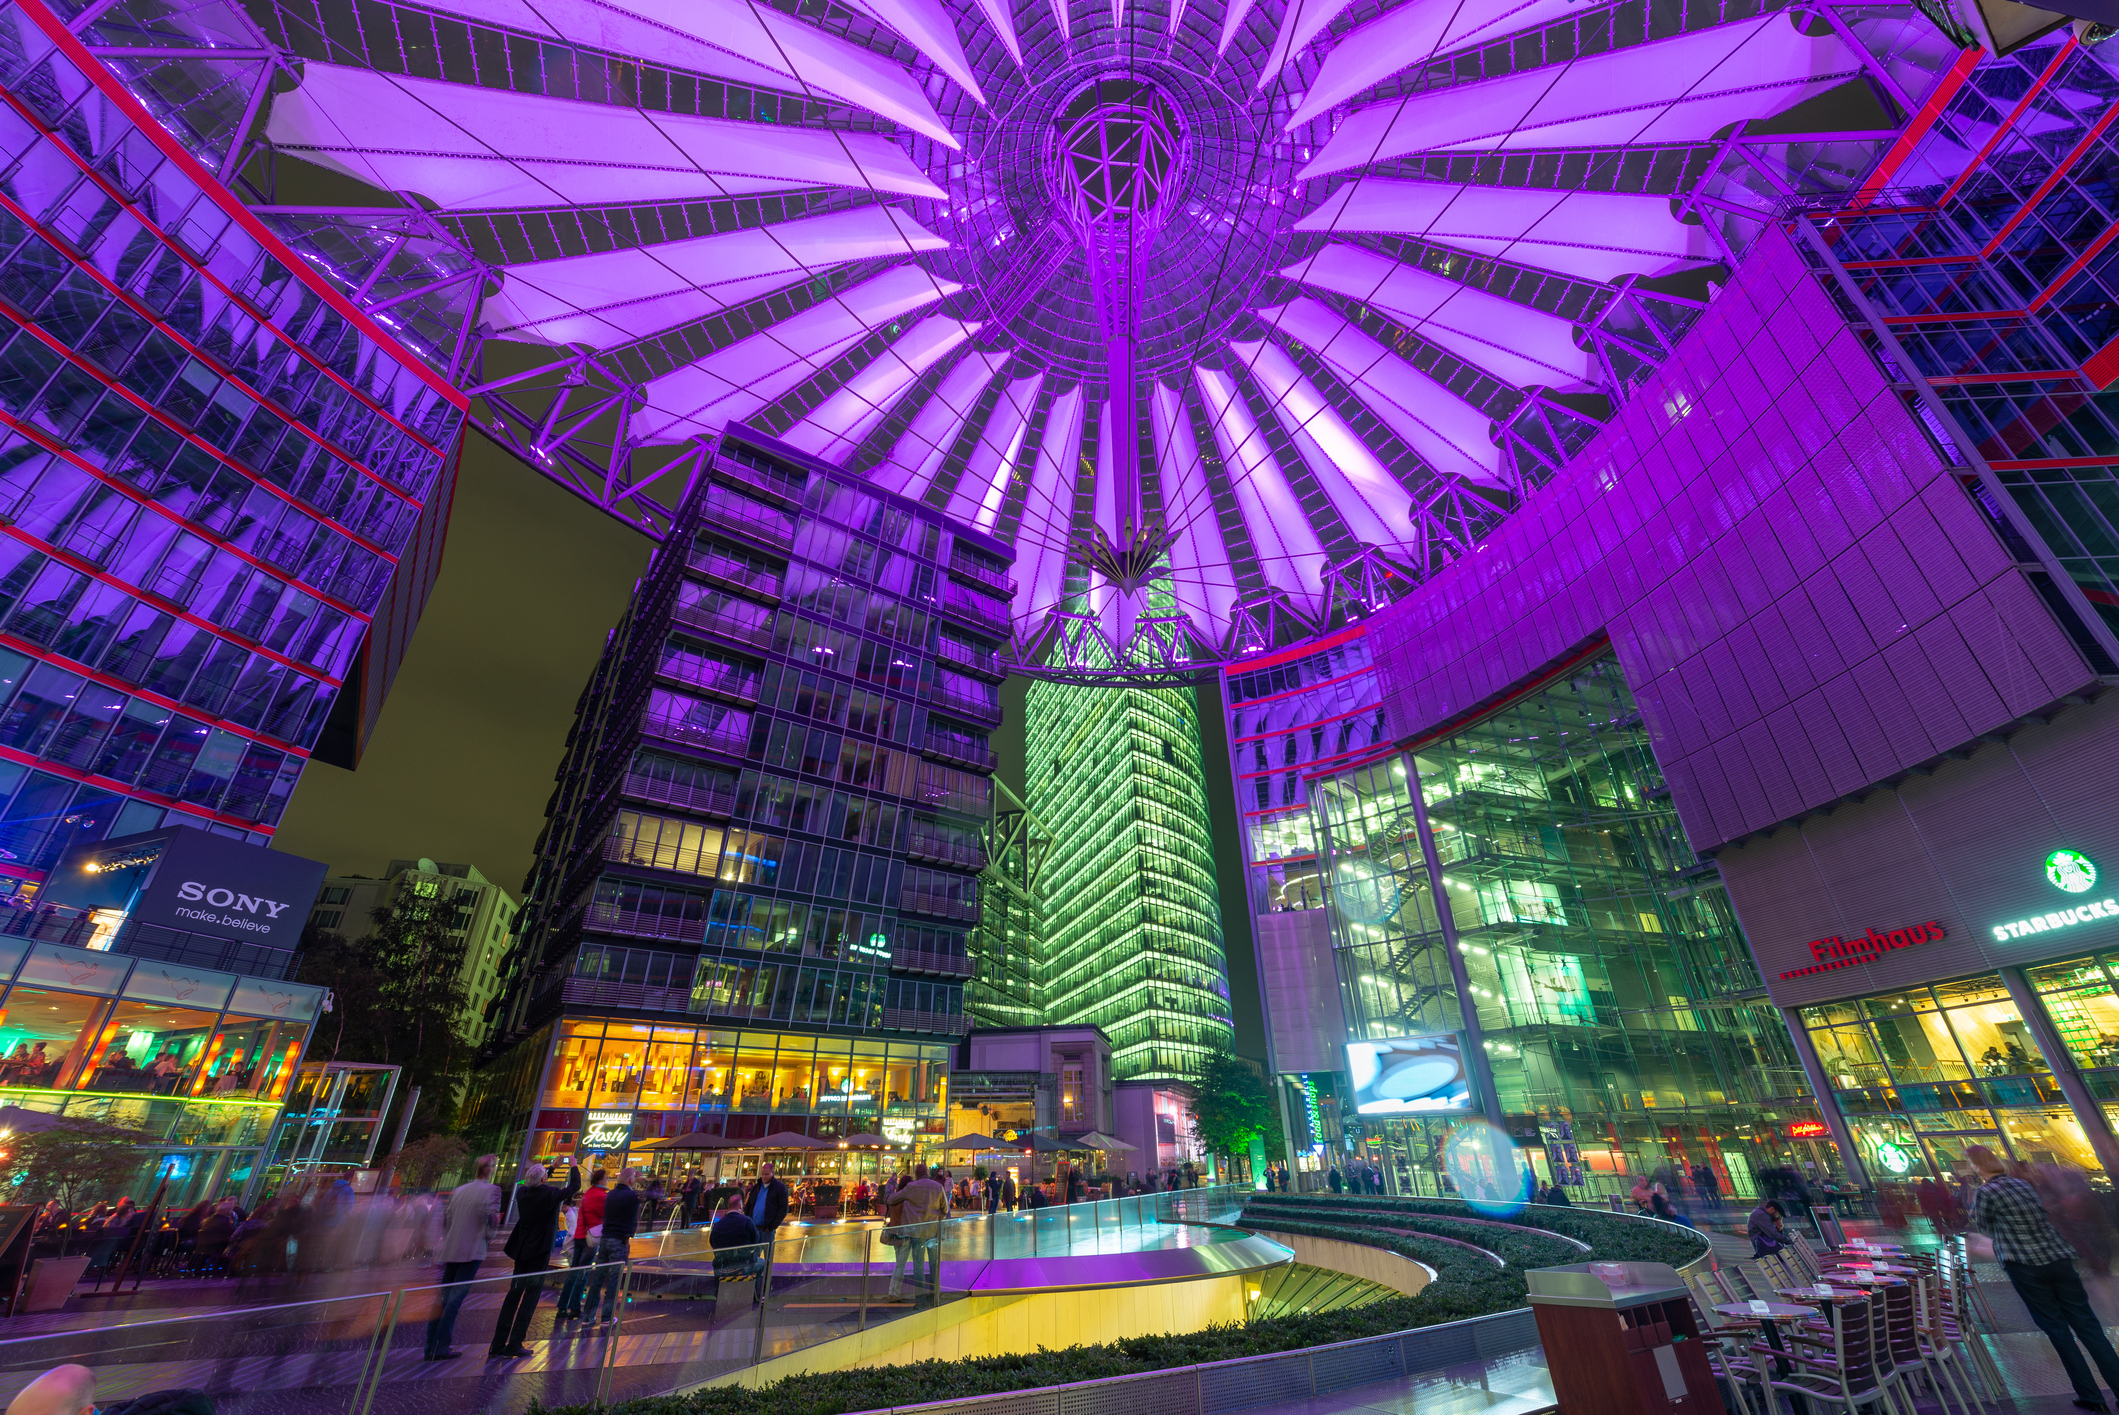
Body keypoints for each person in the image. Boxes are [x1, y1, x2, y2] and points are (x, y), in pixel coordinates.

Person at [1968, 1145, 2119, 1411]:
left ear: (1976, 1166)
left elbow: (1983, 1225)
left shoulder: (1984, 1192)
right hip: (2058, 1258)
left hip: (2024, 1265)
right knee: (2089, 1327)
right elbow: (2041, 1215)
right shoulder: (2023, 1185)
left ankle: (2091, 1396)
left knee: (2058, 1330)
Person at [489, 1162, 580, 1360]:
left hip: (521, 1250)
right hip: (539, 1251)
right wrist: (573, 1166)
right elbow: (574, 1187)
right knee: (530, 1298)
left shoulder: (522, 1193)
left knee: (513, 1295)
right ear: (543, 1179)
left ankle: (497, 1343)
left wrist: (551, 1167)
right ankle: (514, 1343)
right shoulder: (549, 1194)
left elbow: (533, 1180)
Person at [424, 1154, 501, 1361]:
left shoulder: (459, 1190)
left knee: (443, 1297)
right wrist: (488, 1238)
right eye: (493, 1166)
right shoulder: (492, 1191)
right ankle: (441, 1346)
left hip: (451, 1248)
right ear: (487, 1169)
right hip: (472, 1250)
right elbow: (493, 1219)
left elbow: (446, 1219)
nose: (494, 1169)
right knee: (455, 1300)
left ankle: (430, 1345)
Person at [587, 1168, 641, 1324]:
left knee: (598, 1278)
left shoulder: (609, 1195)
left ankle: (588, 1316)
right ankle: (607, 1317)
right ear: (631, 1180)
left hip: (605, 1239)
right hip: (619, 1241)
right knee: (614, 1281)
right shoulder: (631, 1196)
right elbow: (633, 1221)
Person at [554, 1168, 606, 1321]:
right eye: (607, 1178)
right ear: (601, 1180)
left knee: (574, 1271)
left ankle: (562, 1306)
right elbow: (605, 1215)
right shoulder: (600, 1196)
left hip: (579, 1235)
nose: (608, 1180)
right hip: (590, 1239)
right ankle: (575, 1308)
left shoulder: (588, 1193)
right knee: (583, 1273)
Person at [891, 1163, 946, 1301]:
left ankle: (920, 1299)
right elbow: (945, 1209)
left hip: (916, 1232)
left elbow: (891, 1200)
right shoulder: (938, 1187)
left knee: (918, 1267)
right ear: (927, 1172)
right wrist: (937, 1219)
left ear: (916, 1173)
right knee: (934, 1265)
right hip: (933, 1231)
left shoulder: (911, 1187)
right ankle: (935, 1296)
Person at [709, 1195, 763, 1292]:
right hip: (742, 1265)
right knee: (762, 1263)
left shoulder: (718, 1224)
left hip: (721, 1266)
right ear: (740, 1206)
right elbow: (756, 1242)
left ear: (728, 1206)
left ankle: (719, 1291)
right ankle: (751, 1291)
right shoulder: (747, 1222)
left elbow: (712, 1243)